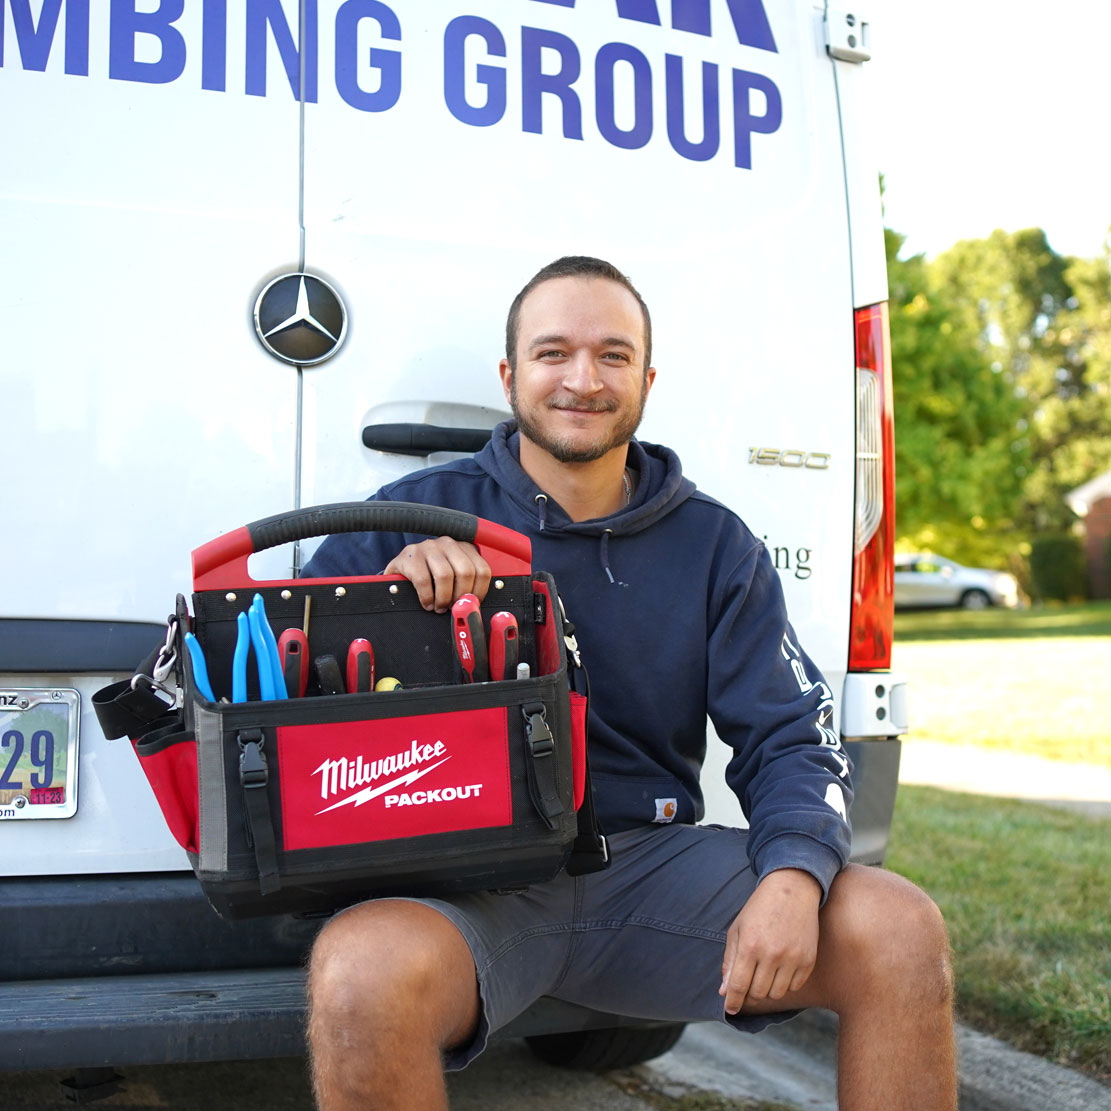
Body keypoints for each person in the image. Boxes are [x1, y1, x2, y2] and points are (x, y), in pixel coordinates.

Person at [303, 257, 956, 1111]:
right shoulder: (409, 518)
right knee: (358, 969)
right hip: (461, 889)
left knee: (899, 930)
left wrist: (794, 873)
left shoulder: (714, 544)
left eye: (612, 356)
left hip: (648, 869)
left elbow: (793, 738)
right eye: (553, 353)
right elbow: (286, 697)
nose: (582, 379)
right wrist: (384, 602)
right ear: (510, 376)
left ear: (646, 379)